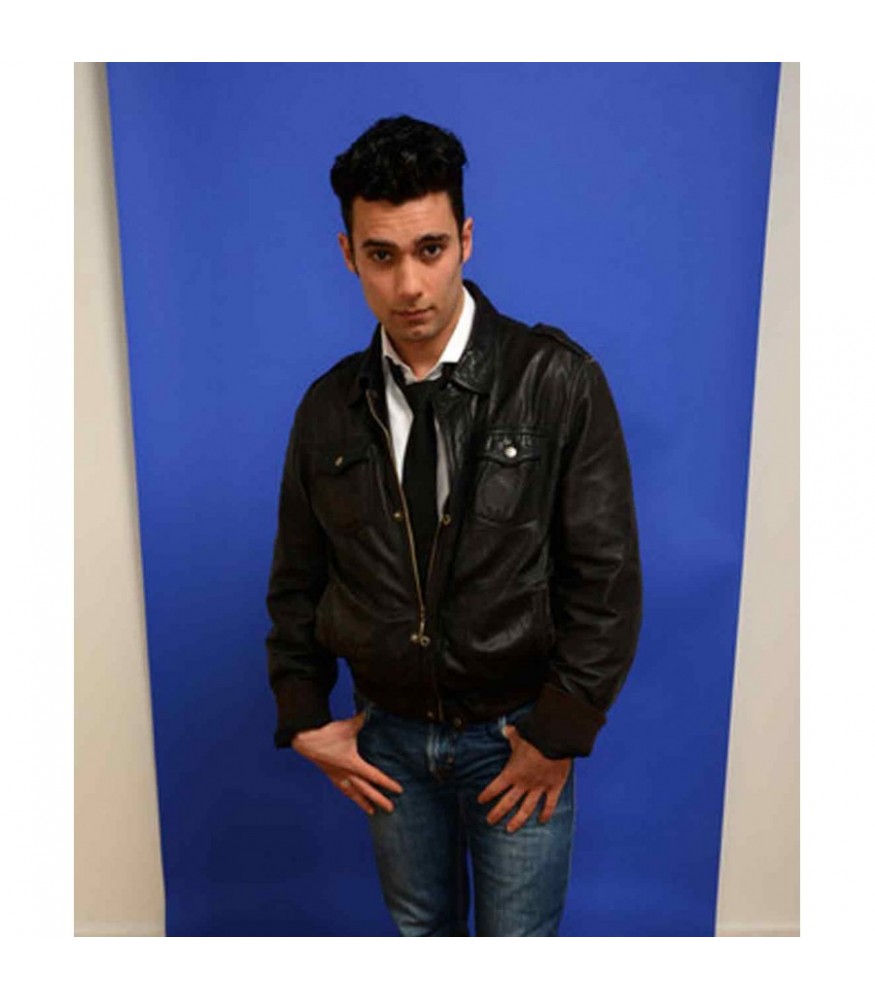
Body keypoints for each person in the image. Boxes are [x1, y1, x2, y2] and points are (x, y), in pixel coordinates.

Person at [266, 115, 642, 936]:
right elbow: (297, 579)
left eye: (429, 249)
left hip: (516, 738)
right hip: (388, 742)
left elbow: (606, 578)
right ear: (348, 255)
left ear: (465, 240)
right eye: (381, 256)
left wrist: (557, 734)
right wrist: (302, 715)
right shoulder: (328, 409)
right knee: (421, 946)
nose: (409, 285)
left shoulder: (555, 380)